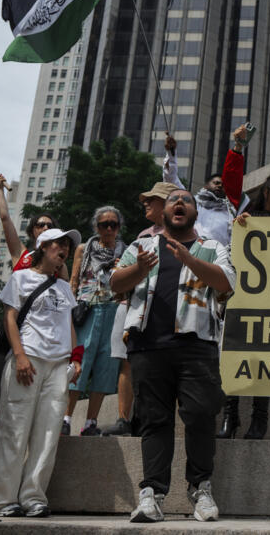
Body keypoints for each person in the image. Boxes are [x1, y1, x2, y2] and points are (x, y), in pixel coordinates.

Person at [111, 188, 234, 523]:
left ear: (195, 213)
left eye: (187, 201)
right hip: (147, 346)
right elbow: (114, 283)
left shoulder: (212, 247)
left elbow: (226, 284)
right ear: (163, 212)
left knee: (199, 416)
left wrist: (190, 260)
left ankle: (201, 488)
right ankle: (152, 493)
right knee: (154, 420)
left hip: (197, 345)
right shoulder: (141, 247)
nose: (180, 204)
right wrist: (138, 269)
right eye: (173, 200)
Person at [0, 227, 83, 518]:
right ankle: (3, 500)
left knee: (48, 434)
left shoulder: (64, 287)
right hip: (27, 360)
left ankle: (33, 497)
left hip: (58, 367)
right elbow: (10, 318)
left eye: (67, 245)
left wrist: (76, 358)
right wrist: (19, 356)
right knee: (13, 431)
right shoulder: (21, 278)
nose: (64, 249)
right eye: (59, 243)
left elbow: (68, 325)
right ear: (43, 246)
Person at [98, 180, 180, 439]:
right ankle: (125, 418)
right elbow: (118, 278)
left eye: (152, 199)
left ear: (167, 205)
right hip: (133, 307)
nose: (145, 202)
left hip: (167, 314)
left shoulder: (189, 237)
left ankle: (151, 419)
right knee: (127, 363)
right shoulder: (142, 237)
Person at [226, 175, 270, 439]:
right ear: (267, 191)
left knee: (266, 362)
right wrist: (239, 229)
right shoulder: (247, 218)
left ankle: (260, 419)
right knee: (235, 357)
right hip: (244, 302)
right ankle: (230, 417)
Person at [63, 206, 126, 436]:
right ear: (96, 227)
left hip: (114, 309)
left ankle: (91, 421)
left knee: (106, 366)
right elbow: (74, 280)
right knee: (80, 361)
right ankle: (66, 418)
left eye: (113, 224)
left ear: (119, 227)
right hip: (87, 309)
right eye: (103, 224)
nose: (108, 229)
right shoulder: (84, 248)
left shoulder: (125, 252)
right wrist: (69, 311)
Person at [0, 173, 69, 278]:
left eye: (49, 226)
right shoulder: (21, 254)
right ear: (32, 231)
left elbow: (64, 292)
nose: (45, 228)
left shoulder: (59, 264)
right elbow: (5, 219)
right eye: (41, 225)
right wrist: (0, 189)